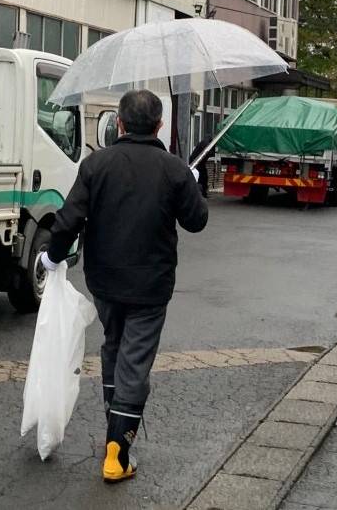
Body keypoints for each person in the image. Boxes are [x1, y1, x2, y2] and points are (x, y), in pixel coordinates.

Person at [41, 90, 208, 483]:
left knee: (114, 348)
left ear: (118, 123)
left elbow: (69, 219)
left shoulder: (96, 164)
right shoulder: (174, 170)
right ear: (160, 125)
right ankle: (117, 452)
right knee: (134, 361)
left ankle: (113, 431)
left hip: (105, 281)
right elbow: (196, 221)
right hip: (150, 286)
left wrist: (52, 256)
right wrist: (193, 182)